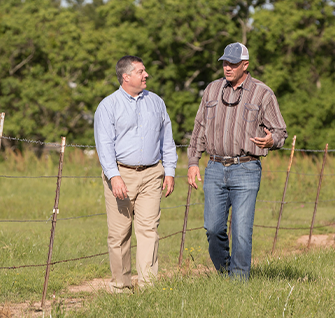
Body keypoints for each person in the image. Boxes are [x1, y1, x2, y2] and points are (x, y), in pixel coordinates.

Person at [187, 42, 287, 280]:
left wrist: (271, 140)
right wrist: (193, 162)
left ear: (246, 65)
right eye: (224, 62)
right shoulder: (211, 90)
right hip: (214, 168)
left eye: (232, 63)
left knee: (241, 230)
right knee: (213, 228)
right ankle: (225, 273)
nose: (227, 67)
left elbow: (280, 132)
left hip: (246, 168)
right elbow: (199, 128)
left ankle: (238, 283)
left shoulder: (263, 93)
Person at [94, 55, 177, 292]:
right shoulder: (108, 106)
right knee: (120, 232)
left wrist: (169, 171)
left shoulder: (157, 102)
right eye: (141, 71)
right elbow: (104, 145)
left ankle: (149, 287)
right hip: (121, 174)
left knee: (149, 229)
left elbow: (167, 140)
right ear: (126, 76)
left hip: (152, 174)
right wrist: (114, 176)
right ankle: (121, 286)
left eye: (145, 71)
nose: (146, 75)